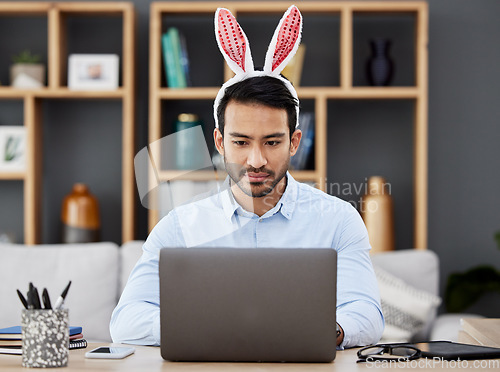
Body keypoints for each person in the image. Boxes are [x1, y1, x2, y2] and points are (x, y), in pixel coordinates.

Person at [110, 5, 383, 349]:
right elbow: (126, 321)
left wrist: (326, 330)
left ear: (294, 142)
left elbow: (367, 314)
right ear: (220, 143)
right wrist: (209, 326)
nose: (256, 160)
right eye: (241, 142)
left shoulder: (339, 220)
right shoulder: (180, 225)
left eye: (272, 142)